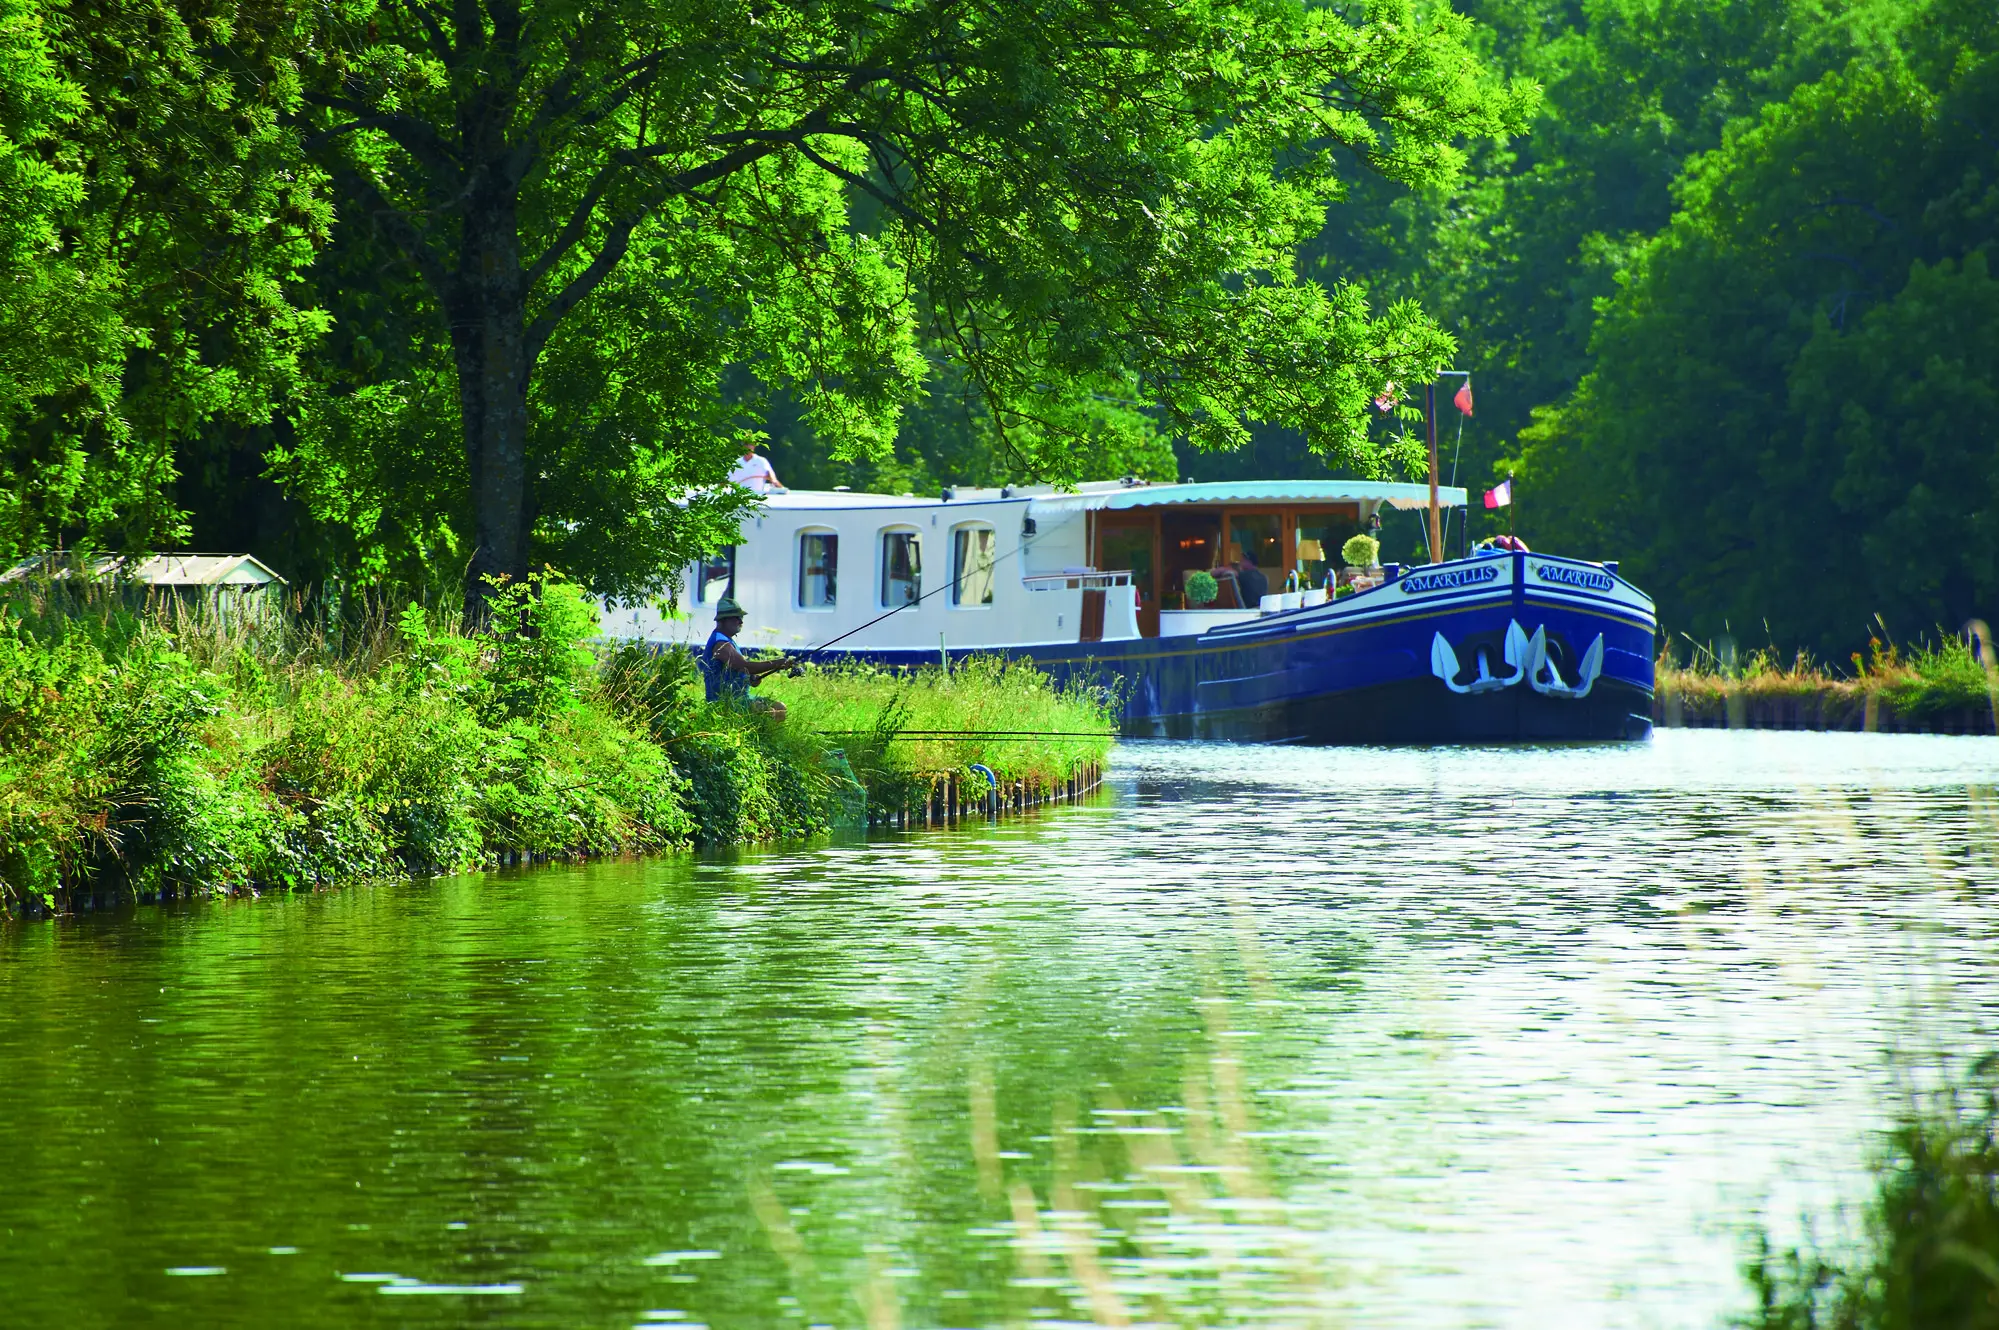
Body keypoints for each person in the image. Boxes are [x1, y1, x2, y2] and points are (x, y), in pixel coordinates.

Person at [702, 597, 799, 719]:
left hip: (741, 697)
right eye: (736, 617)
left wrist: (749, 678)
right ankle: (761, 737)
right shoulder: (720, 643)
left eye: (741, 617)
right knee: (769, 712)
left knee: (780, 707)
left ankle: (767, 737)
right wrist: (777, 663)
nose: (741, 621)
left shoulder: (728, 641)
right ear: (722, 620)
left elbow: (738, 670)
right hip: (724, 702)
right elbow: (744, 666)